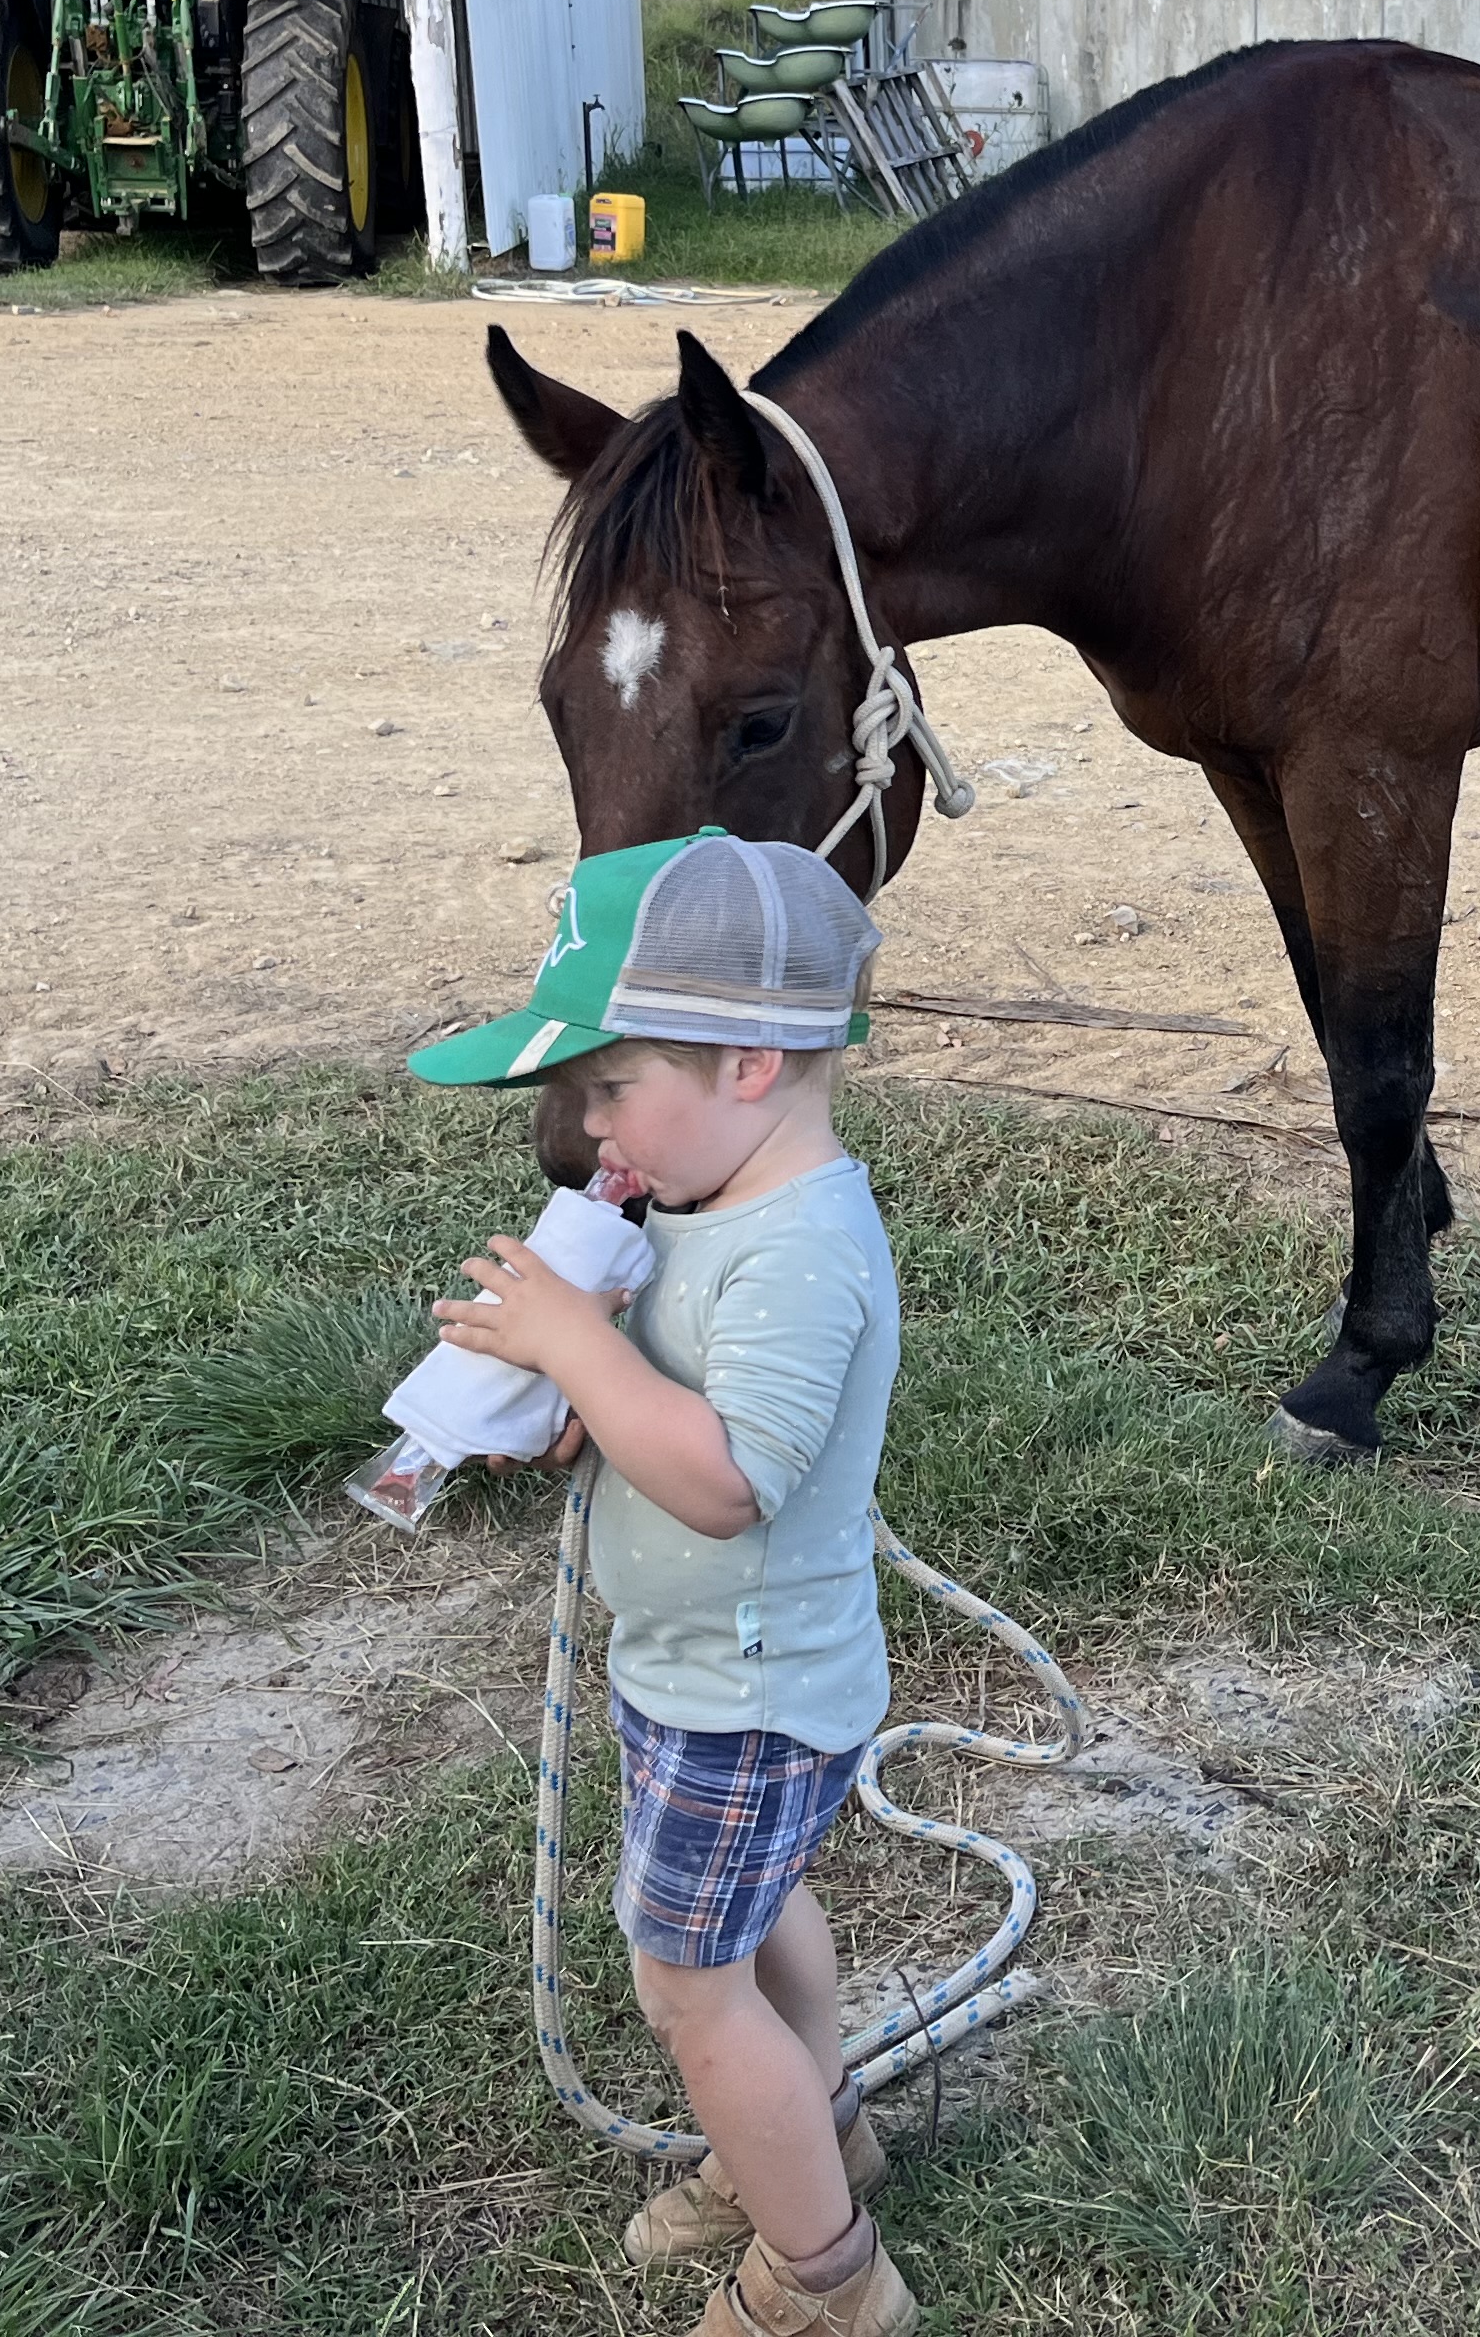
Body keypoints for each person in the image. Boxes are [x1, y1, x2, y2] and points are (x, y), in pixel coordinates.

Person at [410, 828, 916, 2337]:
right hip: (704, 1668)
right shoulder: (710, 1210)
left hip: (746, 1694)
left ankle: (825, 2278)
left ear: (750, 1066)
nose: (587, 1127)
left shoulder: (801, 1248)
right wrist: (588, 1399)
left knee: (690, 1990)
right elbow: (679, 1422)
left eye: (611, 1084)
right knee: (757, 1919)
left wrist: (575, 1344)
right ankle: (818, 2136)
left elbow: (726, 1478)